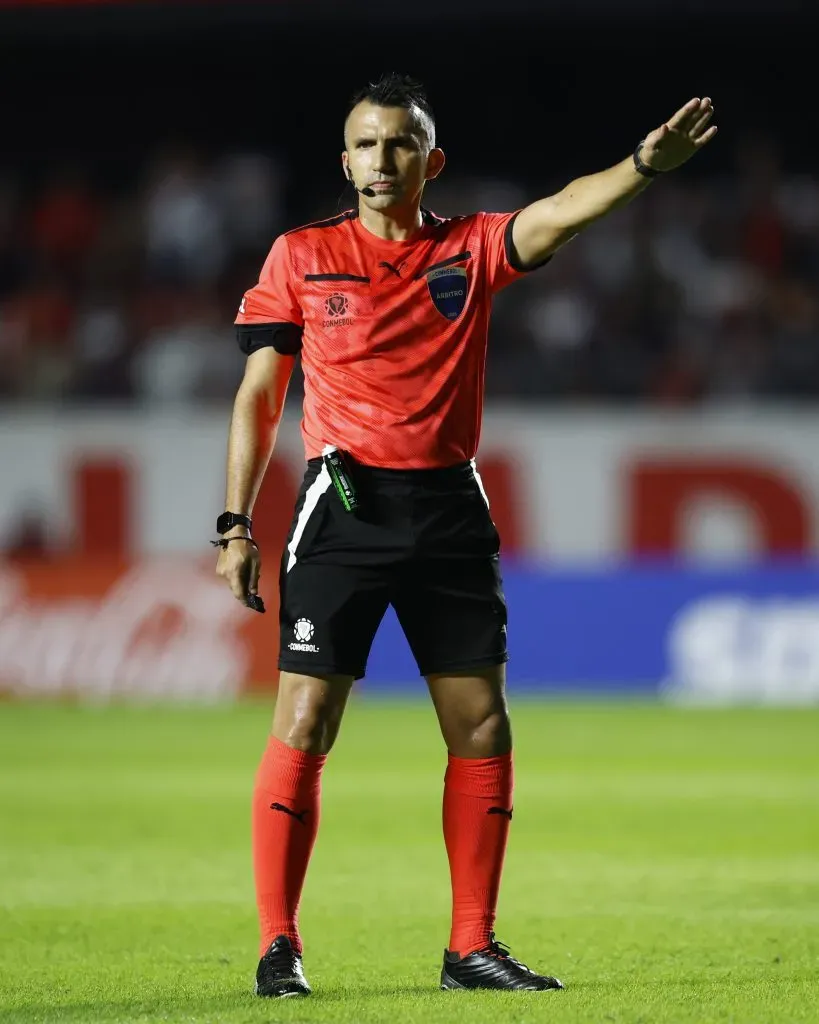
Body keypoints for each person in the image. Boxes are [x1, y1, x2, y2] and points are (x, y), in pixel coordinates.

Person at [215, 72, 717, 997]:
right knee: (306, 720)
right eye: (364, 144)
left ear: (429, 160)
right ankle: (278, 945)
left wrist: (646, 164)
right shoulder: (300, 255)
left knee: (480, 724)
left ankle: (470, 947)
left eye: (398, 144)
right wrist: (236, 520)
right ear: (344, 160)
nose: (380, 160)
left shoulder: (472, 247)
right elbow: (259, 394)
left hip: (448, 508)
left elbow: (564, 210)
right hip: (343, 507)